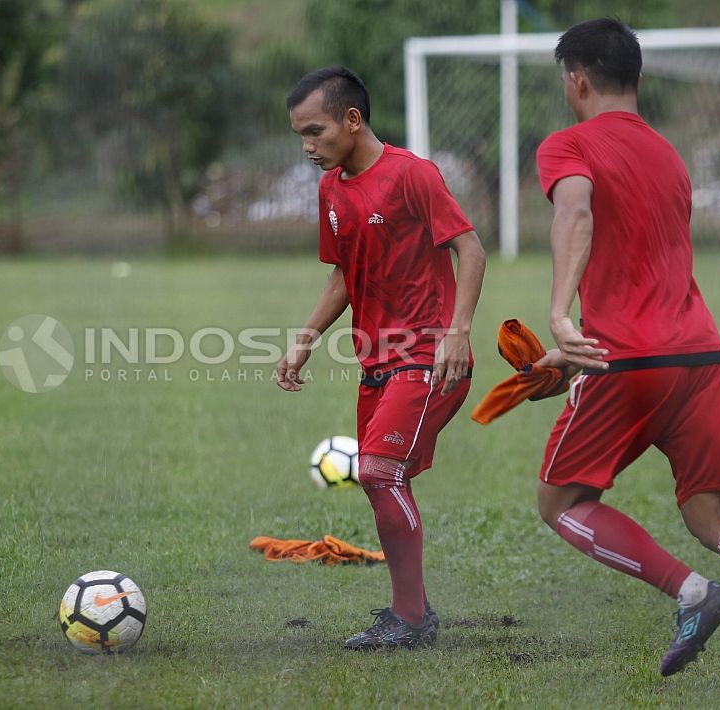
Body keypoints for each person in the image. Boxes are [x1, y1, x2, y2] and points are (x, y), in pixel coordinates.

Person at [533, 18, 720, 690]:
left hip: (629, 362)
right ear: (635, 77)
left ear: (575, 79)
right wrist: (573, 354)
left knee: (561, 503)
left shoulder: (568, 144)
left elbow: (576, 213)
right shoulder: (669, 155)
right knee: (714, 514)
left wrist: (561, 315)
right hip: (700, 357)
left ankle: (693, 595)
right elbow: (641, 269)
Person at [276, 66, 486, 650]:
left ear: (352, 118)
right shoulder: (331, 190)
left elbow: (470, 248)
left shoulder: (412, 174)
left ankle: (411, 617)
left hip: (429, 355)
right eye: (300, 135)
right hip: (378, 364)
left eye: (315, 132)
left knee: (377, 472)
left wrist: (457, 332)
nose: (307, 147)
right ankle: (411, 612)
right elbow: (344, 275)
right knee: (383, 480)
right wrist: (306, 337)